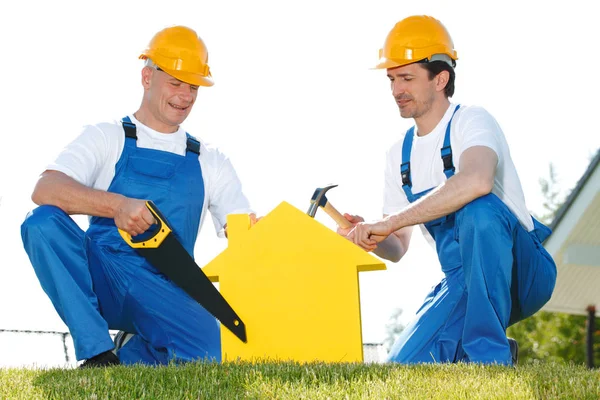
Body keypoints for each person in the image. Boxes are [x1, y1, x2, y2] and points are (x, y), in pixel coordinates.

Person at [20, 25, 257, 368]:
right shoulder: (107, 136)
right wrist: (116, 205)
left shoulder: (211, 160)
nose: (185, 96)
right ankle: (98, 352)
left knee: (207, 358)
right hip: (102, 275)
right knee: (41, 224)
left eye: (192, 86)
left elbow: (241, 228)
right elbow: (45, 190)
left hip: (168, 285)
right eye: (175, 83)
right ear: (147, 77)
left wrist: (268, 235)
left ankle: (131, 350)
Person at [341, 15, 557, 365]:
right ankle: (485, 349)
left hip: (522, 270)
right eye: (392, 79)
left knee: (479, 209)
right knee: (404, 368)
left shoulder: (471, 121)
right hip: (462, 279)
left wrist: (391, 220)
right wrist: (371, 234)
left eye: (407, 78)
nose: (397, 91)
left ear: (440, 78)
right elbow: (397, 248)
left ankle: (490, 360)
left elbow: (477, 180)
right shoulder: (398, 155)